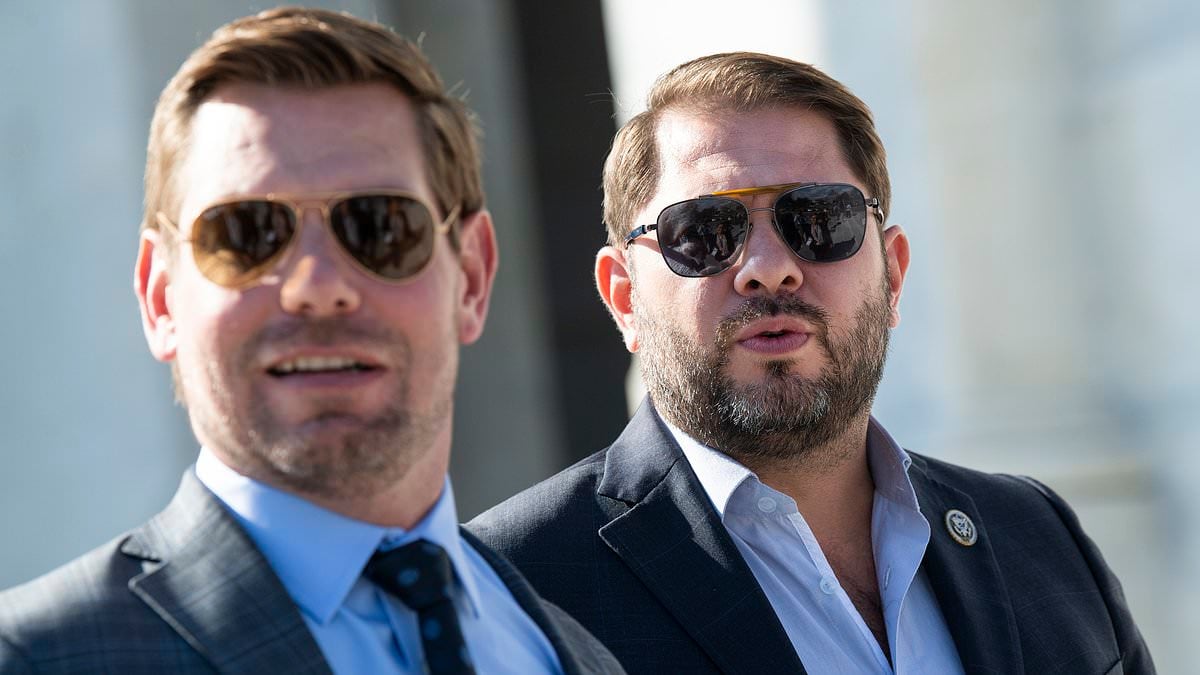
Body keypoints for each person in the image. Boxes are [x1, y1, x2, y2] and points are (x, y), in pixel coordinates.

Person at [468, 52, 1154, 674]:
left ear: (893, 274)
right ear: (624, 298)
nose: (770, 269)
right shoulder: (506, 589)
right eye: (704, 231)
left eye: (820, 219)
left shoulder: (1038, 534)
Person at [0, 9, 622, 675]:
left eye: (380, 226)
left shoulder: (573, 653)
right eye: (246, 233)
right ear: (161, 298)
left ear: (470, 278)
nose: (319, 286)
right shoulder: (40, 658)